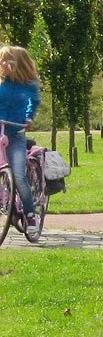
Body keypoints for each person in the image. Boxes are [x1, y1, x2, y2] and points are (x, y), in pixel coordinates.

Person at [0, 46, 41, 233]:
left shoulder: (28, 85)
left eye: (5, 60)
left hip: (16, 134)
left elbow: (35, 102)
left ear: (17, 63)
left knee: (18, 175)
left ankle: (30, 215)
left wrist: (28, 118)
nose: (1, 63)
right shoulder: (1, 83)